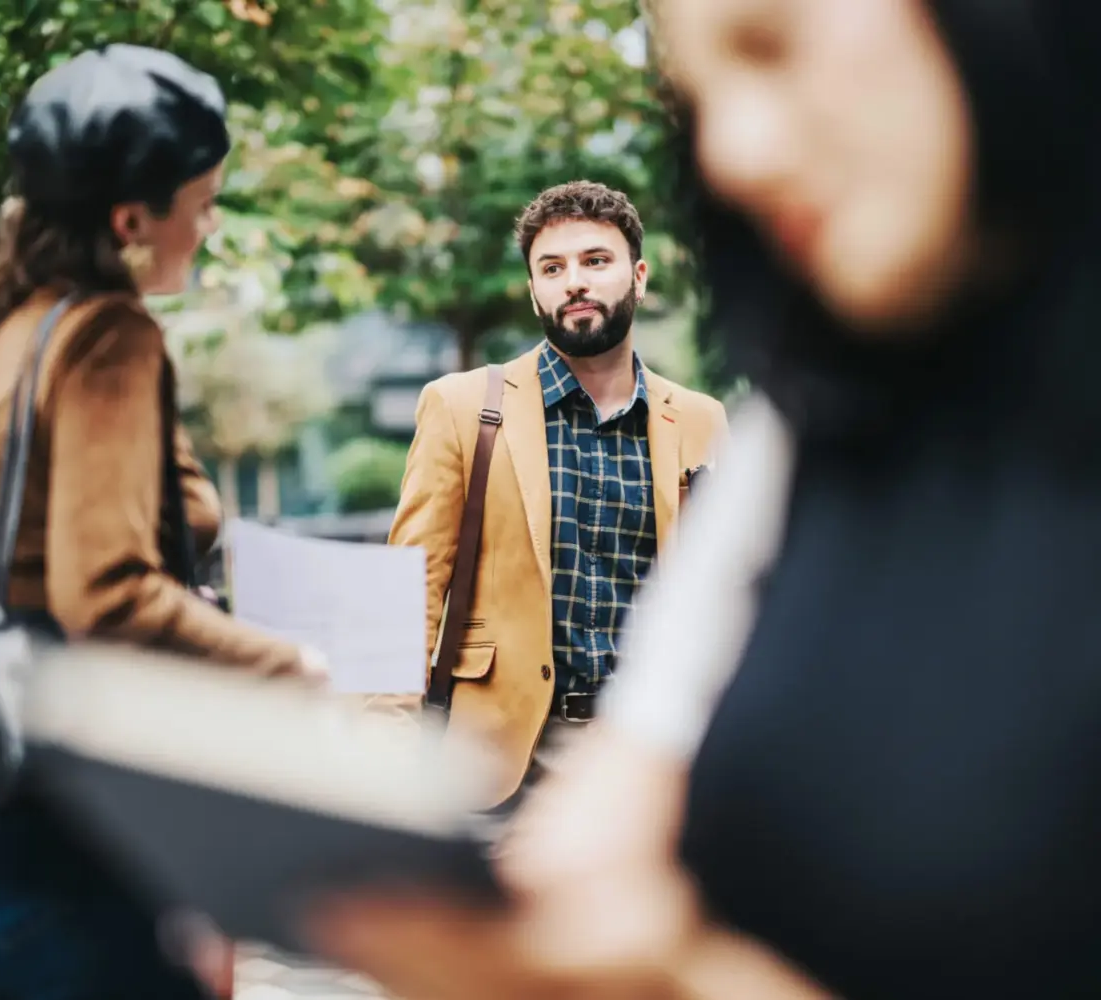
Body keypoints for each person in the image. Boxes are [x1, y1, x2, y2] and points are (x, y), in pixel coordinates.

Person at [301, 1, 1101, 998]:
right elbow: (414, 587)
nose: (733, 153)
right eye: (695, 99)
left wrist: (680, 971)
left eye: (774, 43)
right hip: (509, 768)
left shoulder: (712, 422)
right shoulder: (791, 431)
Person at [0, 44, 323, 1000]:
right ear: (134, 218)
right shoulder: (105, 336)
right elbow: (105, 591)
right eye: (202, 201)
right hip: (77, 806)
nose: (207, 226)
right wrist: (289, 664)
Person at [386, 180, 727, 809]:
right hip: (498, 764)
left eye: (595, 261)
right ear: (534, 288)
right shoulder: (462, 407)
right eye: (552, 267)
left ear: (639, 276)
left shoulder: (703, 421)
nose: (574, 281)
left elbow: (722, 601)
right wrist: (390, 758)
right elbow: (406, 597)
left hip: (650, 760)